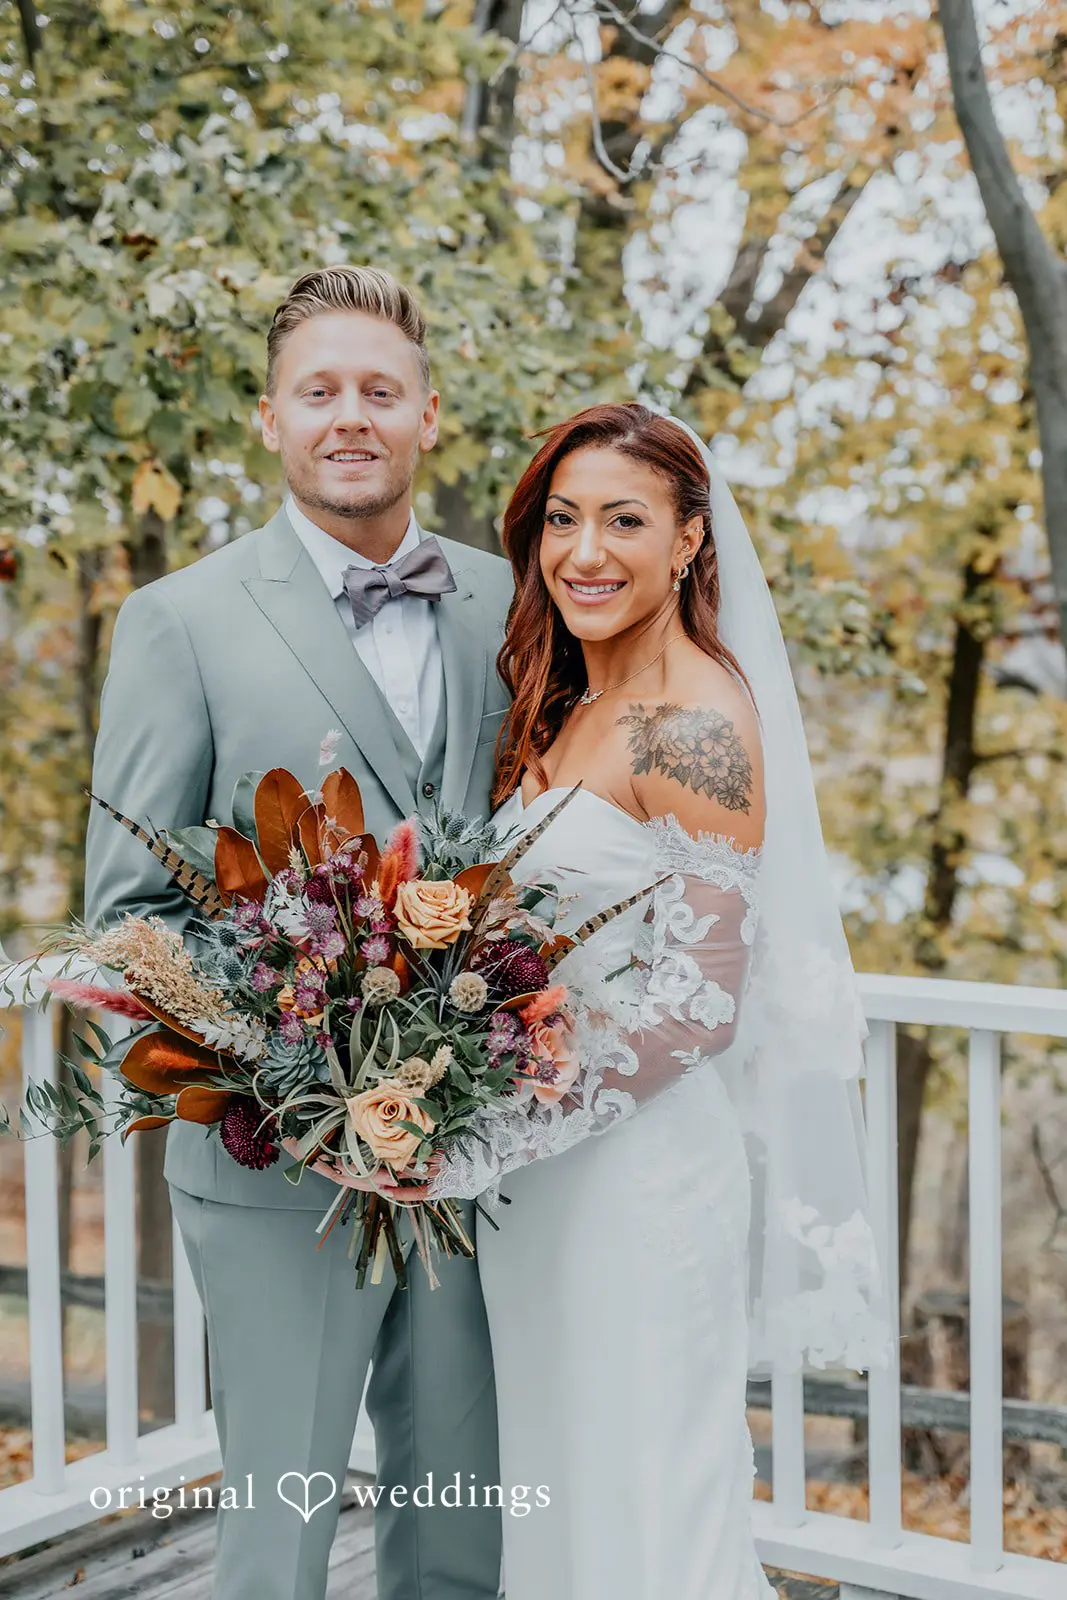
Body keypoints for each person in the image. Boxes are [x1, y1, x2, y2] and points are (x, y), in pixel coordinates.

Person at [354, 403, 892, 1597]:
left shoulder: (695, 726)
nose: (583, 551)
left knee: (648, 1498)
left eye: (623, 520)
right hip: (542, 1186)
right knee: (565, 1490)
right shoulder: (570, 700)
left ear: (690, 540)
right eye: (560, 519)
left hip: (637, 1182)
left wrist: (474, 1133)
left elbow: (698, 1006)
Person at [84, 266, 509, 1600]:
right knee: (278, 1538)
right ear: (269, 420)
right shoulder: (181, 622)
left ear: (426, 415)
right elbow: (127, 913)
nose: (349, 416)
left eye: (378, 391)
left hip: (482, 1152)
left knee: (462, 1526)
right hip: (278, 1175)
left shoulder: (514, 604)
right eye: (317, 391)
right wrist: (306, 1061)